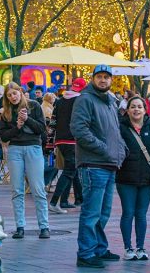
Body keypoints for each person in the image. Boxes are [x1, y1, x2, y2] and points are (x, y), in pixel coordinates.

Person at [71, 65, 127, 269]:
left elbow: (115, 131)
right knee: (91, 212)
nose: (103, 80)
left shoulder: (110, 101)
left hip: (109, 163)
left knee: (103, 213)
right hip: (93, 164)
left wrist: (121, 149)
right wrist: (104, 149)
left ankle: (99, 248)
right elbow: (79, 129)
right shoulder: (85, 99)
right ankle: (85, 253)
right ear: (93, 79)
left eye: (106, 77)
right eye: (99, 77)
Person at [116, 96, 150, 261]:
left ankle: (140, 246)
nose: (136, 109)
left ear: (145, 110)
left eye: (139, 106)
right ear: (128, 110)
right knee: (128, 213)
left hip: (147, 179)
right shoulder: (121, 128)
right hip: (125, 179)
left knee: (141, 213)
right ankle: (127, 247)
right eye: (133, 107)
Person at [0, 82, 50, 239]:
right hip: (15, 150)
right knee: (17, 189)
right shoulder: (5, 112)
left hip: (33, 148)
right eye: (9, 95)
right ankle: (20, 226)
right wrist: (17, 126)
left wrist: (27, 119)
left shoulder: (34, 106)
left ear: (20, 92)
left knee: (38, 188)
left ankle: (44, 226)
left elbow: (41, 129)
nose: (13, 97)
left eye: (15, 93)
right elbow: (4, 136)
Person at [49, 78, 86, 213]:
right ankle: (54, 202)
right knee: (70, 170)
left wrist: (50, 142)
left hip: (60, 140)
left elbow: (53, 122)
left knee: (72, 169)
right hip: (73, 140)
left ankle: (72, 200)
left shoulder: (59, 101)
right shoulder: (80, 100)